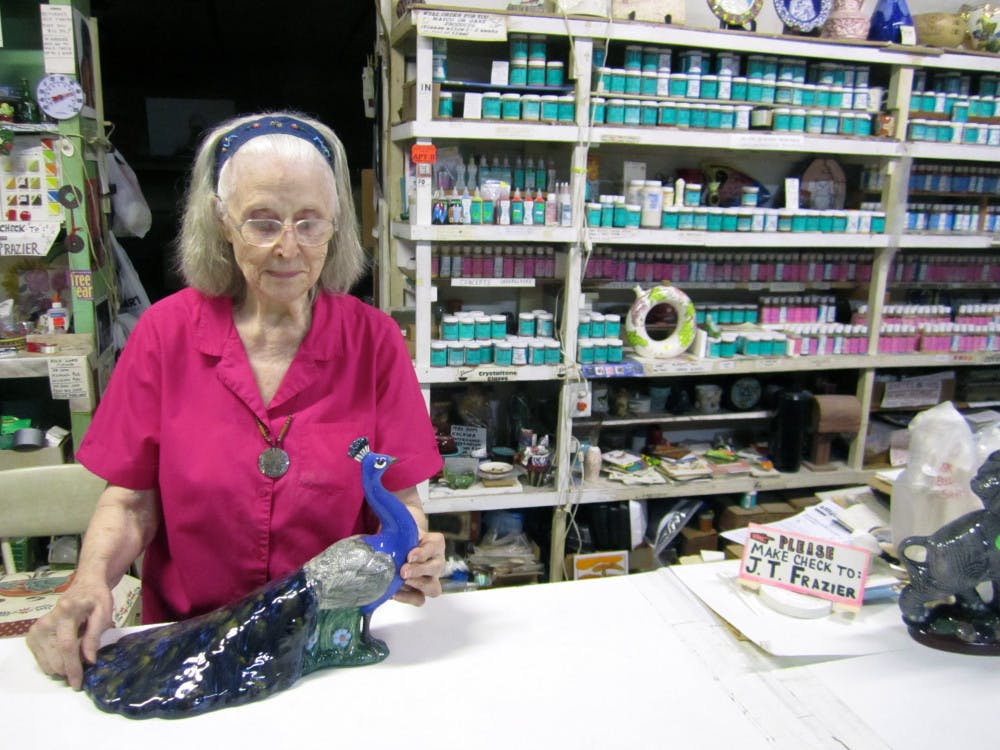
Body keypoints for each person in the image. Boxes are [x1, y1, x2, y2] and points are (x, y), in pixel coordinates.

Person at [27, 111, 446, 689]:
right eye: (262, 222)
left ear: (336, 226)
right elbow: (129, 503)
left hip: (320, 650)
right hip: (191, 638)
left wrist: (416, 549)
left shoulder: (374, 341)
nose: (287, 248)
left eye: (309, 223)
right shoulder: (164, 334)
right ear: (222, 221)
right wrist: (91, 580)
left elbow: (400, 497)